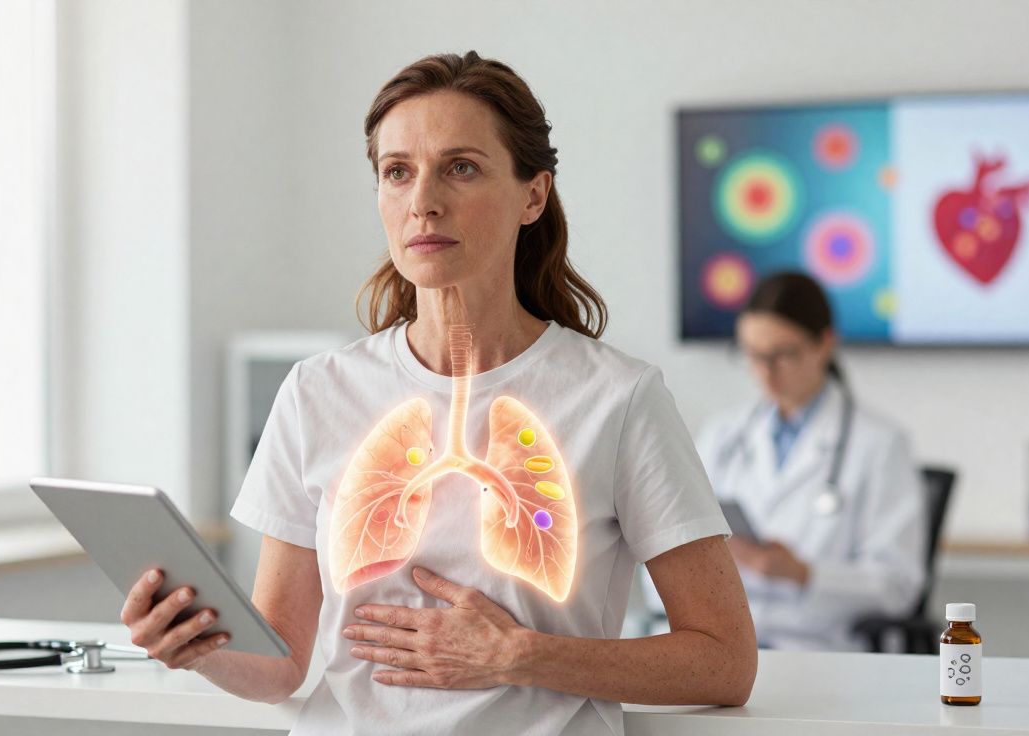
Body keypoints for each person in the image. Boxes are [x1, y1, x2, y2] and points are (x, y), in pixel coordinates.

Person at [120, 51, 756, 735]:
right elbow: (280, 664)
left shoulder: (618, 399)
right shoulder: (317, 392)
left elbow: (724, 662)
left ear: (533, 196)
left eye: (461, 167)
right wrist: (193, 646)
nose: (422, 199)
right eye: (398, 172)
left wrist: (522, 656)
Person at [691, 271, 928, 651]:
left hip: (821, 651)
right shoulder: (723, 436)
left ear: (824, 345)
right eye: (753, 355)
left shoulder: (880, 444)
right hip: (725, 646)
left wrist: (804, 574)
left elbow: (898, 586)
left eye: (782, 355)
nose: (766, 372)